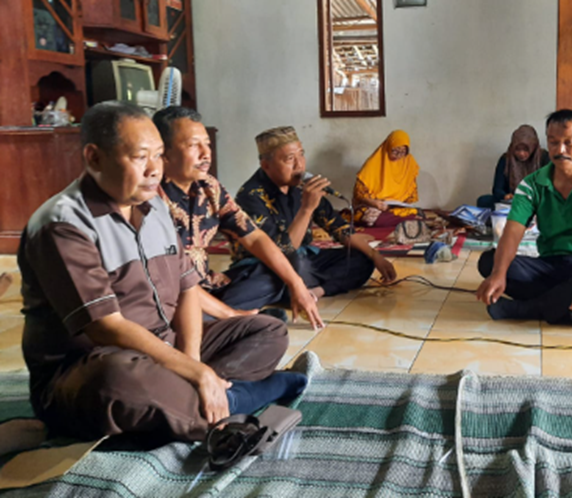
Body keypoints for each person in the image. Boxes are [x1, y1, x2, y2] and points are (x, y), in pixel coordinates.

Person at [18, 102, 305, 442]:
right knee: (116, 381)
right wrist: (194, 372)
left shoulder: (154, 205)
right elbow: (105, 327)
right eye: (141, 157)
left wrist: (192, 364)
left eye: (158, 156)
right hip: (91, 365)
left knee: (268, 330)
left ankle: (192, 402)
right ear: (94, 158)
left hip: (165, 348)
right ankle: (236, 400)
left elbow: (187, 288)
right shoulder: (63, 224)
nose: (155, 169)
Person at [152, 107, 322, 328]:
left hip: (205, 287)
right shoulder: (150, 198)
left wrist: (297, 285)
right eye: (193, 145)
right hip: (172, 296)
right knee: (172, 306)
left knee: (278, 271)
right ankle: (219, 320)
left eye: (207, 144)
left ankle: (216, 318)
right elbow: (169, 279)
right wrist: (231, 314)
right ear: (163, 153)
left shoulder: (209, 187)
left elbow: (254, 237)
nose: (206, 154)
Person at [476, 109, 572, 326]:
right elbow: (513, 231)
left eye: (569, 143)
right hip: (550, 265)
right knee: (491, 262)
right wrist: (499, 273)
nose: (560, 150)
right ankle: (568, 306)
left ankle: (528, 309)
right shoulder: (532, 184)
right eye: (553, 142)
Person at [234, 126, 397, 299]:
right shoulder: (250, 196)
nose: (299, 165)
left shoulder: (302, 185)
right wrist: (307, 209)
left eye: (301, 155)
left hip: (303, 258)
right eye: (290, 159)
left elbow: (339, 229)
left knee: (362, 259)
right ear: (266, 165)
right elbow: (280, 252)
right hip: (266, 264)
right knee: (296, 265)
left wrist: (375, 255)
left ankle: (315, 292)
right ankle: (300, 288)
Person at [353, 130, 420, 227]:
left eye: (403, 152)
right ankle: (397, 220)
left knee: (413, 211)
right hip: (374, 206)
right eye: (395, 151)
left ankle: (392, 219)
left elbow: (410, 196)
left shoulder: (409, 163)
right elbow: (359, 195)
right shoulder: (373, 163)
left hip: (395, 207)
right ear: (388, 147)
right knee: (369, 216)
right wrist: (374, 203)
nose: (398, 156)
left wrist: (398, 204)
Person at [477, 125, 551, 208]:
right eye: (517, 149)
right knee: (483, 200)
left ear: (533, 147)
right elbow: (497, 189)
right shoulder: (506, 159)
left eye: (526, 149)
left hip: (535, 200)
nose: (521, 153)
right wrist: (505, 196)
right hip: (512, 201)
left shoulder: (544, 158)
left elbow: (549, 187)